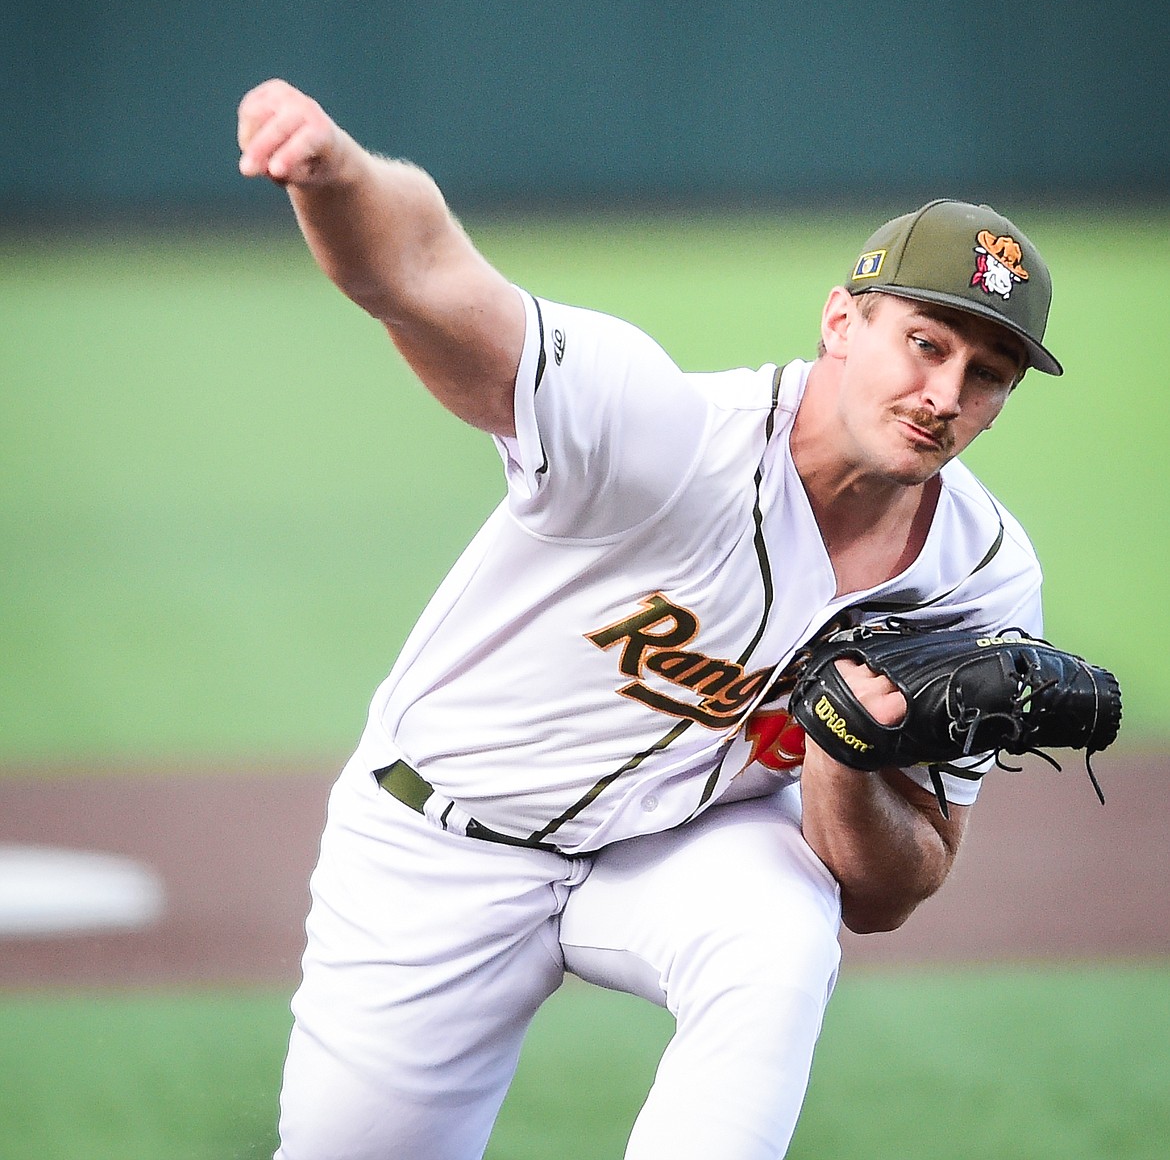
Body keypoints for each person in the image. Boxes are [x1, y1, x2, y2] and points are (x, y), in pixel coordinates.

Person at [237, 78, 1062, 1160]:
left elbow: (895, 891)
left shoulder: (981, 581)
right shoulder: (664, 434)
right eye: (925, 342)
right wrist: (336, 174)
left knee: (780, 930)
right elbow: (428, 276)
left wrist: (847, 759)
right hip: (440, 845)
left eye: (987, 373)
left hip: (673, 853)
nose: (947, 391)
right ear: (841, 321)